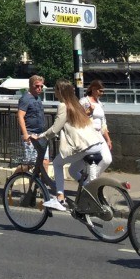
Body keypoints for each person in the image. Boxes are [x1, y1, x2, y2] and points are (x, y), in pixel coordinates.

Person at [33, 78, 105, 211]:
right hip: (96, 144)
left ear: (60, 91)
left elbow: (55, 129)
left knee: (57, 163)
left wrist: (40, 136)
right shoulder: (76, 104)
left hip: (85, 146)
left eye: (55, 89)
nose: (54, 91)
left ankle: (60, 199)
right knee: (73, 170)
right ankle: (89, 191)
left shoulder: (63, 106)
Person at [80, 79, 113, 176]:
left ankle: (90, 179)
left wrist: (108, 139)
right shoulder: (84, 101)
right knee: (91, 164)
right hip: (89, 134)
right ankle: (91, 181)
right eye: (100, 91)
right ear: (93, 89)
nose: (101, 93)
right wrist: (88, 111)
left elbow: (103, 123)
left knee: (107, 160)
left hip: (99, 135)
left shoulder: (100, 104)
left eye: (103, 91)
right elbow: (78, 117)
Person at [16, 74, 48, 168]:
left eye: (41, 86)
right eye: (37, 86)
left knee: (45, 161)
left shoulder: (38, 98)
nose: (39, 88)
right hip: (31, 134)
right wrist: (25, 134)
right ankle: (12, 178)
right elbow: (20, 116)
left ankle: (42, 183)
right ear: (30, 86)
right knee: (29, 165)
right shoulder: (25, 99)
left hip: (41, 134)